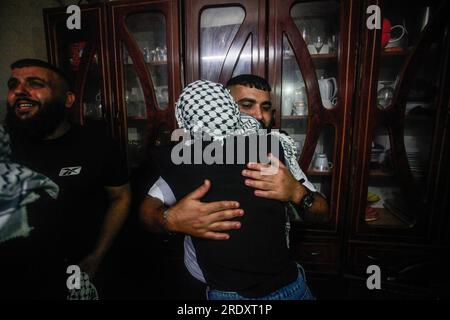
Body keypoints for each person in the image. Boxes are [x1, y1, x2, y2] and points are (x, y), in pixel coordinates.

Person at [140, 76, 329, 299]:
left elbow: (322, 213)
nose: (258, 115)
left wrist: (296, 192)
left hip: (284, 280)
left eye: (266, 108)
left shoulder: (275, 153)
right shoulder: (191, 154)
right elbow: (147, 210)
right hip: (208, 285)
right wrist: (169, 219)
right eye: (247, 105)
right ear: (224, 106)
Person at [4, 59, 131, 298]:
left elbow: (121, 197)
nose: (20, 91)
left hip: (79, 270)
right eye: (13, 85)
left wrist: (98, 255)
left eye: (35, 83)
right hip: (16, 275)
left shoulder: (98, 145)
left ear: (68, 100)